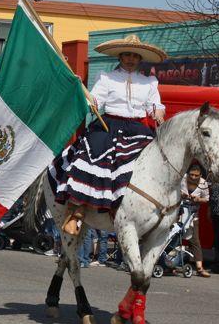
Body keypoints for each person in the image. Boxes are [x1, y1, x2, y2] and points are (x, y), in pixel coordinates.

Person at [53, 34, 167, 235]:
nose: (130, 59)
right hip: (108, 124)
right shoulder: (106, 77)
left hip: (138, 129)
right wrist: (89, 100)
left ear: (140, 58)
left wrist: (157, 111)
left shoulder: (149, 82)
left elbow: (154, 105)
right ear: (120, 57)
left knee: (160, 159)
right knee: (93, 153)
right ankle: (77, 212)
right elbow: (95, 101)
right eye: (126, 55)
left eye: (134, 55)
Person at [180, 164, 210, 277]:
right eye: (191, 174)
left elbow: (206, 198)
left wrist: (198, 199)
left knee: (195, 240)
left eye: (196, 175)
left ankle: (199, 267)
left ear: (200, 175)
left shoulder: (203, 183)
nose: (193, 177)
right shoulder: (183, 178)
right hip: (180, 212)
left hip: (193, 214)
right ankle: (168, 263)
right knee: (173, 237)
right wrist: (181, 195)